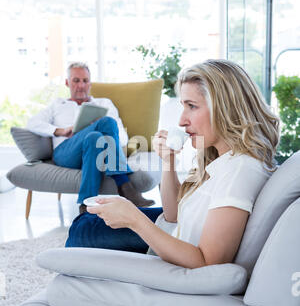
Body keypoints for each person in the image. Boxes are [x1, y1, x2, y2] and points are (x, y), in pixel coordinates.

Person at [65, 59, 280, 269]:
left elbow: (207, 263)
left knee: (81, 231)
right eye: (183, 106)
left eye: (192, 106)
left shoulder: (239, 172)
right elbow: (173, 214)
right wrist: (169, 161)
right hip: (170, 230)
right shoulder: (221, 158)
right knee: (84, 223)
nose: (181, 120)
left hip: (172, 246)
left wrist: (134, 219)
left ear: (225, 108)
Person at [27, 62, 154, 213]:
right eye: (76, 80)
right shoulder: (57, 104)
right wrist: (59, 131)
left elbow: (123, 138)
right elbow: (32, 123)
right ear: (67, 82)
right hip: (66, 153)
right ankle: (124, 185)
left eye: (85, 81)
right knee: (103, 124)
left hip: (96, 150)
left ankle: (85, 204)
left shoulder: (104, 103)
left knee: (97, 134)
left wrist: (102, 131)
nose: (81, 85)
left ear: (90, 84)